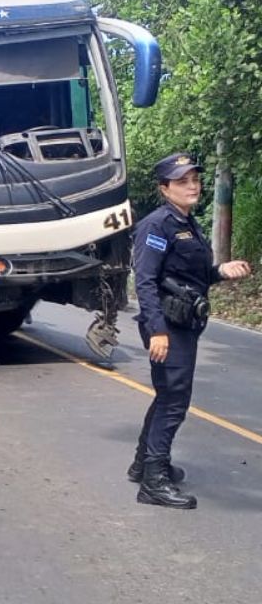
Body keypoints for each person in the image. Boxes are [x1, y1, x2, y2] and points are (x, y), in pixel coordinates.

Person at [129, 152, 252, 509]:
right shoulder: (157, 225)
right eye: (183, 181)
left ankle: (145, 464)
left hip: (184, 323)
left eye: (195, 179)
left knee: (167, 394)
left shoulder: (188, 223)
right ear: (164, 188)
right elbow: (147, 282)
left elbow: (189, 277)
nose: (193, 186)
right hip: (167, 326)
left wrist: (220, 271)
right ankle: (154, 481)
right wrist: (157, 331)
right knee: (174, 401)